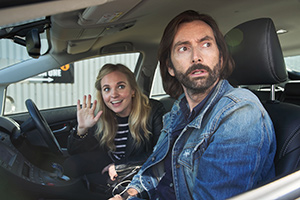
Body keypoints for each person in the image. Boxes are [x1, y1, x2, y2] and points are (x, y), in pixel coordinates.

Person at [110, 10, 276, 200]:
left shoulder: (241, 112)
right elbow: (158, 167)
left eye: (206, 44)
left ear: (220, 59)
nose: (196, 57)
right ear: (170, 67)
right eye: (183, 48)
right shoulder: (179, 108)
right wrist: (129, 194)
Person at [64, 63, 165, 196]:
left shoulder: (153, 110)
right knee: (71, 165)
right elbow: (76, 152)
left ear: (133, 90)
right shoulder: (101, 115)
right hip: (110, 161)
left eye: (121, 86)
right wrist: (82, 129)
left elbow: (161, 153)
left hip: (139, 168)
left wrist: (120, 166)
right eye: (107, 89)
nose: (114, 94)